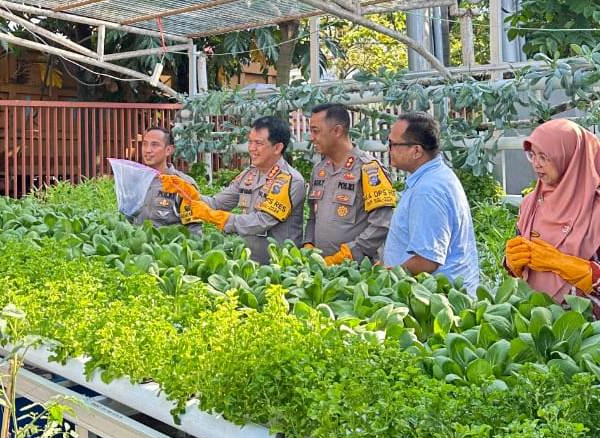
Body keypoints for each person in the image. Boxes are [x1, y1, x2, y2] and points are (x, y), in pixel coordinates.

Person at [161, 116, 305, 264]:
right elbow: (217, 203)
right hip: (249, 263)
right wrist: (189, 193)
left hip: (281, 266)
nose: (252, 148)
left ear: (277, 148)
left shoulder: (290, 180)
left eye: (259, 143)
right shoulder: (249, 174)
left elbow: (261, 221)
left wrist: (219, 218)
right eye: (250, 142)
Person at [505, 119, 600, 314]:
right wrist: (511, 263)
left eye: (544, 156)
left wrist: (563, 264)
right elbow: (518, 264)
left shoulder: (596, 208)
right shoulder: (530, 204)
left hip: (587, 325)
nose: (536, 164)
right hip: (535, 318)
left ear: (570, 157)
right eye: (532, 155)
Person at [382, 112, 479, 295]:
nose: (389, 150)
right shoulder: (435, 176)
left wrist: (385, 277)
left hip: (439, 301)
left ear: (416, 151)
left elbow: (427, 261)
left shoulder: (428, 190)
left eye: (393, 144)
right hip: (441, 297)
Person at [304, 103, 395, 265]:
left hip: (357, 270)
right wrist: (309, 244)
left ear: (337, 131)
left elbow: (381, 224)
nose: (311, 137)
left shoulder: (369, 168)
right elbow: (312, 217)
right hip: (320, 268)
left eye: (316, 131)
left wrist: (349, 254)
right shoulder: (319, 170)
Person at [132, 126, 201, 235]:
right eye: (145, 144)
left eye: (154, 145)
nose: (148, 150)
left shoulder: (183, 185)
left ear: (168, 150)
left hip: (168, 245)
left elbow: (194, 231)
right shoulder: (135, 181)